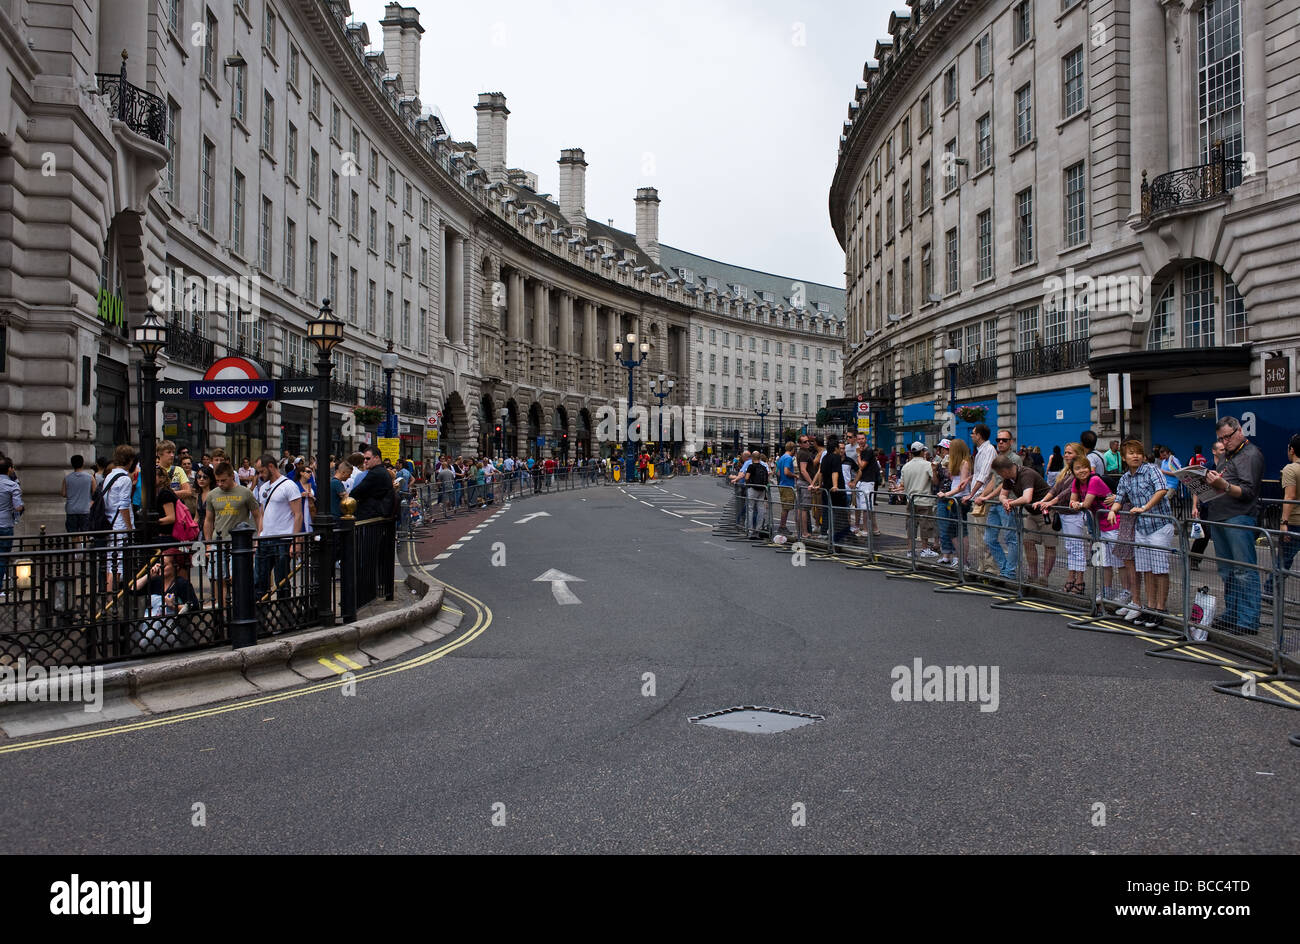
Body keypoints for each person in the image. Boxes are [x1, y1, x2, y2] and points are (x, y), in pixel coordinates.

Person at [1200, 416, 1266, 635]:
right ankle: (1233, 614)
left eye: (1227, 437)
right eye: (1220, 439)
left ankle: (1247, 621)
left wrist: (1224, 485)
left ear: (1240, 431)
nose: (1224, 442)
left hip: (1239, 517)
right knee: (1228, 571)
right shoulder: (1227, 456)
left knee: (1244, 570)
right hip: (1220, 516)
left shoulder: (1250, 455)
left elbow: (1248, 492)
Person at [1109, 439, 1173, 627]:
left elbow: (1162, 490)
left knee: (1160, 570)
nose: (1135, 456)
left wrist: (1145, 507)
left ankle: (1161, 609)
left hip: (1160, 525)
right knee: (1146, 569)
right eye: (1131, 453)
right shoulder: (1125, 478)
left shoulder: (1152, 470)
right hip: (1142, 528)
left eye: (1138, 452)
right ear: (1124, 458)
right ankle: (1149, 607)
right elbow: (1119, 498)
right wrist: (1113, 510)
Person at [990, 454, 1052, 582]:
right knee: (1028, 542)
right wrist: (1005, 502)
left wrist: (1010, 503)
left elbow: (1027, 498)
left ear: (1005, 471)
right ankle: (1033, 576)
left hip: (1047, 511)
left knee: (1049, 544)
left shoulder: (1026, 474)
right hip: (1032, 512)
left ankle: (1044, 578)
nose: (1000, 476)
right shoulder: (1009, 478)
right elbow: (1002, 495)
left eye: (999, 473)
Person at [254, 452, 304, 598]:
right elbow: (263, 514)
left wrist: (296, 542)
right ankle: (260, 613)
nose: (260, 475)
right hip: (265, 540)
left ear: (271, 466)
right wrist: (259, 535)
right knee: (259, 580)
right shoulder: (263, 488)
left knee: (281, 581)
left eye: (262, 471)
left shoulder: (288, 485)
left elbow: (298, 514)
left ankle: (284, 614)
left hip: (283, 539)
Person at [1265, 433, 1300, 600]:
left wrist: (1284, 522)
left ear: (1292, 450)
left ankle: (1270, 591)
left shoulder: (1290, 469)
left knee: (1283, 560)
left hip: (1294, 522)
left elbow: (1290, 496)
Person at [102, 445, 136, 592]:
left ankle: (108, 598)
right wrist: (129, 527)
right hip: (120, 525)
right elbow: (123, 505)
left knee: (111, 562)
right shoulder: (125, 479)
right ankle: (111, 599)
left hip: (110, 522)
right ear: (130, 460)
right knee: (118, 565)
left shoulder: (109, 476)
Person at [935, 438, 971, 566]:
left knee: (961, 530)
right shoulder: (958, 463)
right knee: (953, 530)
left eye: (952, 449)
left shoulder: (965, 463)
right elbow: (954, 480)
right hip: (955, 499)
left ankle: (963, 561)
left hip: (961, 499)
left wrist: (946, 494)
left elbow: (961, 485)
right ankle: (961, 559)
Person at [901, 442, 938, 557]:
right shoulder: (928, 465)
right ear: (922, 452)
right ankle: (924, 549)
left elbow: (902, 483)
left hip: (910, 500)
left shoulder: (906, 466)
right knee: (925, 525)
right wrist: (935, 470)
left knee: (911, 525)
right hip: (924, 500)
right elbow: (935, 482)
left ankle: (910, 550)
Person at [818, 435, 853, 544]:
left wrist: (820, 485)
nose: (840, 450)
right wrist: (835, 485)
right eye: (839, 448)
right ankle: (838, 537)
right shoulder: (836, 457)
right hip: (836, 491)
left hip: (826, 489)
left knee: (827, 511)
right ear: (835, 448)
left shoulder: (825, 458)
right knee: (840, 513)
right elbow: (835, 472)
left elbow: (821, 473)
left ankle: (825, 533)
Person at [0, 457, 23, 597]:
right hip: (5, 524)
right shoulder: (12, 485)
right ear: (9, 469)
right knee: (2, 557)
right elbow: (18, 506)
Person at [62, 454, 95, 533]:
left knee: (73, 533)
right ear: (83, 463)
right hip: (85, 509)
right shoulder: (90, 477)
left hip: (71, 509)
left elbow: (63, 493)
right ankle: (83, 545)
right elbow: (95, 492)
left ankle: (75, 545)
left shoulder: (67, 478)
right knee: (85, 532)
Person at [774, 441, 798, 535]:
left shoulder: (781, 458)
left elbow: (778, 472)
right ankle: (782, 526)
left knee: (785, 507)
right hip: (787, 485)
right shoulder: (788, 458)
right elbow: (786, 472)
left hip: (782, 484)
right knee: (786, 508)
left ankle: (782, 526)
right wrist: (795, 476)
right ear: (793, 449)